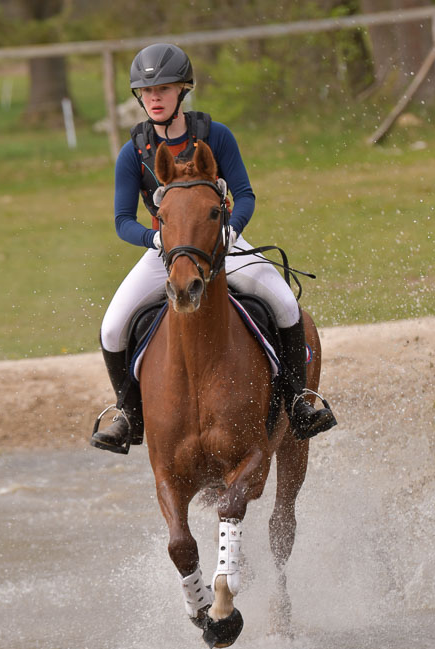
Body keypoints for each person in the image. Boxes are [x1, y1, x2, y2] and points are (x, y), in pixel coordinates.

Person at [90, 43, 336, 453]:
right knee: (113, 327)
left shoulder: (216, 136)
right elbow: (122, 221)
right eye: (147, 92)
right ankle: (128, 413)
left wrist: (231, 233)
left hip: (221, 246)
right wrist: (156, 240)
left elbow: (245, 195)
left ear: (182, 91)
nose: (155, 98)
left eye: (164, 89)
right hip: (164, 252)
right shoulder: (132, 152)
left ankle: (298, 400)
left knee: (287, 306)